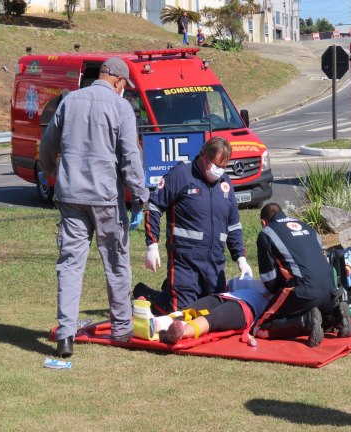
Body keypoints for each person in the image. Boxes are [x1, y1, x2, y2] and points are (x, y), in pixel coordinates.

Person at [40, 57, 150, 358]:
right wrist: (140, 194)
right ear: (117, 81)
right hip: (105, 199)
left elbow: (47, 144)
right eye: (124, 86)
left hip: (70, 195)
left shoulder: (69, 100)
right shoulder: (120, 107)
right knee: (115, 263)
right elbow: (130, 156)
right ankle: (121, 328)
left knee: (70, 265)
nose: (123, 91)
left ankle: (65, 335)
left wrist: (50, 172)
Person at [135, 137, 253, 314]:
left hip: (214, 264)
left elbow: (234, 224)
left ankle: (171, 289)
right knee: (183, 313)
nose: (219, 171)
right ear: (205, 157)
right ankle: (144, 294)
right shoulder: (181, 175)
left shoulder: (225, 183)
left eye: (223, 167)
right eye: (217, 165)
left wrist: (241, 259)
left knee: (214, 311)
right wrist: (152, 246)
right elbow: (154, 207)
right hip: (185, 260)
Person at [252, 203, 351, 347]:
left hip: (304, 290)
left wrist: (275, 292)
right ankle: (335, 316)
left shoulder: (267, 233)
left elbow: (269, 279)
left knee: (260, 327)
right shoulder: (307, 227)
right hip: (331, 290)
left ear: (263, 222)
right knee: (315, 309)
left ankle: (306, 321)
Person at [158, 280, 270, 344]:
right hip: (223, 297)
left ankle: (180, 331)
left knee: (212, 318)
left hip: (245, 307)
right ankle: (157, 323)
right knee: (189, 311)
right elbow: (227, 284)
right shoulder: (250, 282)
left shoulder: (278, 294)